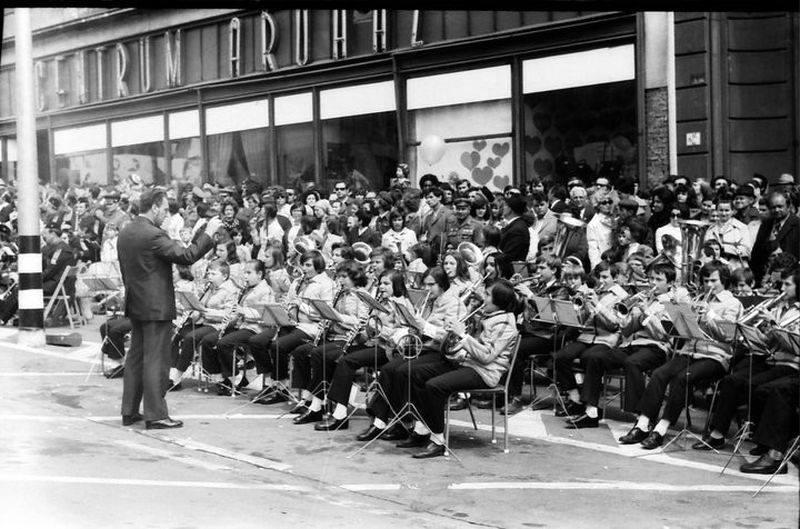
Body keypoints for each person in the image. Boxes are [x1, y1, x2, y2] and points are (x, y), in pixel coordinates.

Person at [117, 188, 222, 429]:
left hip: (136, 303)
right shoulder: (153, 234)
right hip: (156, 306)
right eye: (164, 209)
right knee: (156, 360)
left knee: (135, 358)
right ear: (154, 206)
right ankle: (156, 415)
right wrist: (209, 232)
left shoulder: (126, 231)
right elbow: (187, 255)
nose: (166, 214)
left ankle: (129, 411)